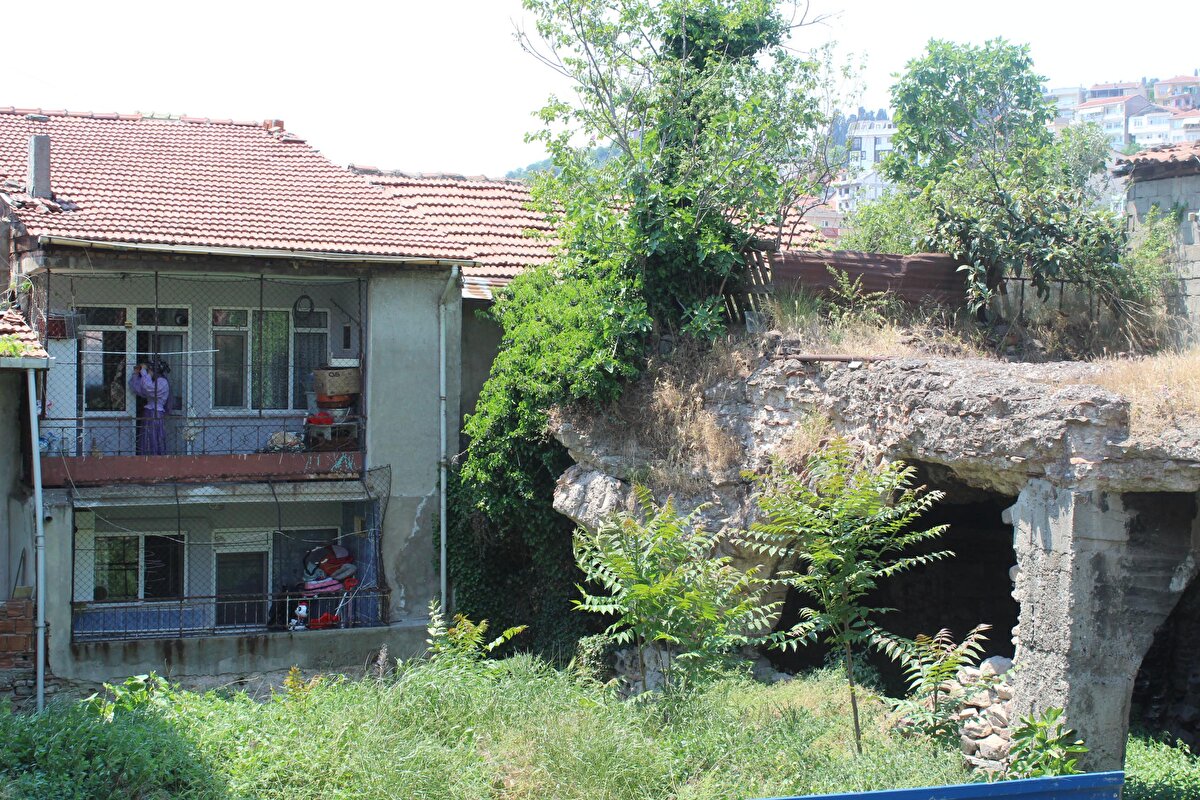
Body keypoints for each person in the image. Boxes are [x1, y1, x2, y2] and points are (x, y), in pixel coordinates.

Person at [130, 361, 170, 455]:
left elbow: (148, 388)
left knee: (153, 435)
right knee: (148, 435)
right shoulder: (155, 381)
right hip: (150, 412)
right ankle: (147, 455)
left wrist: (145, 372)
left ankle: (155, 455)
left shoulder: (162, 382)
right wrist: (137, 374)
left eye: (150, 370)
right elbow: (140, 389)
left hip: (155, 412)